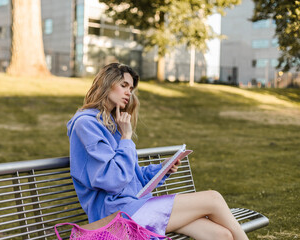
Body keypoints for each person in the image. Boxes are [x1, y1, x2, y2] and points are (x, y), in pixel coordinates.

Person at [67, 63, 248, 240]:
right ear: (106, 85)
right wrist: (126, 139)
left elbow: (132, 177)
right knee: (213, 199)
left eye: (131, 88)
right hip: (116, 216)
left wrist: (163, 169)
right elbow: (113, 180)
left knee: (220, 234)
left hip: (135, 207)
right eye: (123, 85)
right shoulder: (86, 125)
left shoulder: (112, 126)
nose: (129, 92)